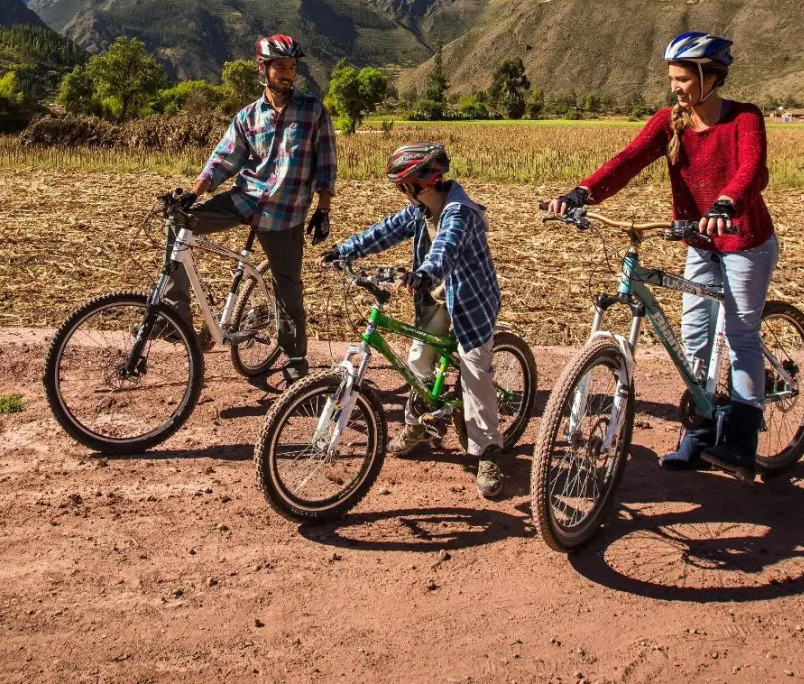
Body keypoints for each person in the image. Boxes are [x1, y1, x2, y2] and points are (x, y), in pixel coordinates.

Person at [544, 31, 777, 481]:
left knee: (739, 335)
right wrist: (581, 193)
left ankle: (743, 441)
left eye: (684, 79)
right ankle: (701, 433)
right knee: (694, 337)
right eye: (673, 78)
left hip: (745, 240)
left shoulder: (744, 119)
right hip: (700, 242)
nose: (676, 87)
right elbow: (628, 159)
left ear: (711, 77)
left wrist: (727, 203)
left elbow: (752, 169)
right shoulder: (669, 122)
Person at [323, 142, 508, 499]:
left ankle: (489, 451)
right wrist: (344, 250)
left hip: (471, 302)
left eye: (402, 186)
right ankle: (419, 426)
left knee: (474, 374)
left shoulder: (460, 212)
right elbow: (386, 230)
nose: (401, 193)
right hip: (436, 299)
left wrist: (422, 274)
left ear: (419, 183)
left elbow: (445, 250)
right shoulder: (421, 211)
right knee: (418, 359)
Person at [170, 34, 335, 385]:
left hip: (286, 212)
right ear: (263, 69)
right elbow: (223, 159)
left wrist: (323, 209)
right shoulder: (248, 116)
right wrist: (194, 192)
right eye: (280, 68)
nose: (287, 74)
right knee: (179, 223)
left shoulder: (312, 110)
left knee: (287, 288)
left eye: (292, 67)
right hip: (244, 200)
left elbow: (326, 163)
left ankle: (294, 358)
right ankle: (175, 314)